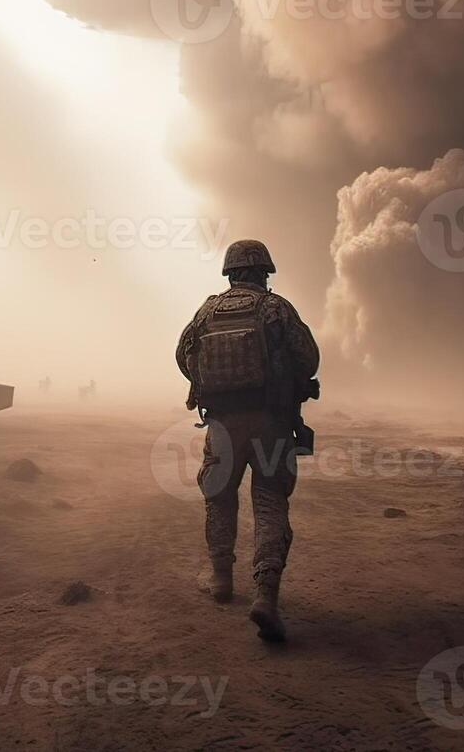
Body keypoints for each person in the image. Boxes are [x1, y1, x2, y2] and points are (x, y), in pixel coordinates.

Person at [176, 239, 319, 642]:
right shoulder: (276, 308)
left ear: (229, 272)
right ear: (265, 273)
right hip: (271, 422)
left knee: (219, 497)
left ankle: (222, 578)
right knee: (271, 502)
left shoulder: (206, 311)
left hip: (221, 425)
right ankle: (265, 596)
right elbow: (309, 358)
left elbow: (183, 357)